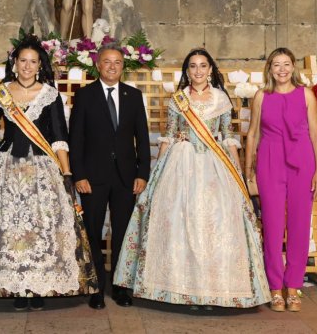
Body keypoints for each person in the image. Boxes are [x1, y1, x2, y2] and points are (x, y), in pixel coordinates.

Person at [114, 49, 271, 309]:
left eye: (203, 66)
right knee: (180, 222)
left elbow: (228, 136)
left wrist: (239, 176)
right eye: (193, 67)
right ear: (187, 72)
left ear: (210, 70)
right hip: (181, 163)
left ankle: (213, 291)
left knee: (215, 224)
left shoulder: (221, 99)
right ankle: (183, 290)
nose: (198, 71)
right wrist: (156, 174)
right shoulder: (178, 100)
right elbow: (170, 134)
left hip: (215, 167)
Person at [0, 35, 98, 311]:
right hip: (6, 167)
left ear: (40, 65)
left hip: (42, 169)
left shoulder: (50, 95)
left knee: (40, 227)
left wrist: (66, 174)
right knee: (8, 227)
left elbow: (58, 137)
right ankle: (16, 288)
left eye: (33, 62)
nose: (28, 66)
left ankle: (38, 288)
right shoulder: (2, 92)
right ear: (15, 63)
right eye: (23, 61)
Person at [69, 43, 151, 309]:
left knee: (123, 233)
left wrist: (143, 173)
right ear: (98, 65)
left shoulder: (133, 96)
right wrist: (78, 174)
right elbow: (76, 138)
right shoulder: (84, 96)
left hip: (126, 177)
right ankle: (95, 287)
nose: (112, 66)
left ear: (122, 66)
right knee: (91, 232)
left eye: (117, 62)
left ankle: (120, 287)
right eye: (107, 62)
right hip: (92, 177)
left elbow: (143, 138)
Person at [244, 47, 317, 313]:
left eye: (286, 64)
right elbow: (252, 134)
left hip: (302, 163)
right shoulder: (261, 96)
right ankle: (275, 288)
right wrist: (248, 170)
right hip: (269, 162)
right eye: (276, 65)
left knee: (300, 226)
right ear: (270, 69)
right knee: (273, 226)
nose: (282, 69)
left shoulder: (306, 95)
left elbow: (316, 135)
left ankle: (293, 286)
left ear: (293, 67)